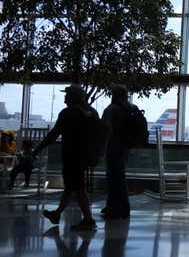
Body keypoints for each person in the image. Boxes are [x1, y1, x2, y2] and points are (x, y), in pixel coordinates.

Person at [33, 84, 98, 231]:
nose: (64, 99)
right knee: (71, 185)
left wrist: (36, 151)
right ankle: (57, 213)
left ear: (74, 97)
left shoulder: (68, 113)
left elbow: (53, 134)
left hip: (72, 155)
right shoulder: (92, 112)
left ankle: (88, 220)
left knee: (79, 187)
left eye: (67, 95)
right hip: (87, 155)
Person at [100, 85, 132, 219]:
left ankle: (113, 208)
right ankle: (122, 207)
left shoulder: (111, 109)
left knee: (113, 178)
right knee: (120, 177)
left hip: (113, 147)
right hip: (125, 147)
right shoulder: (130, 108)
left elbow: (106, 130)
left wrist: (102, 147)